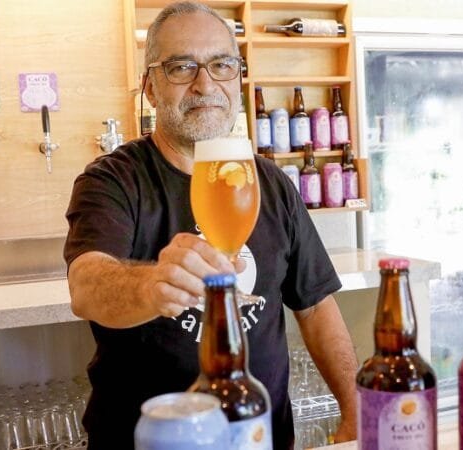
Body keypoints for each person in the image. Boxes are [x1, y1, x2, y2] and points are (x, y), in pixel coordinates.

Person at [63, 2, 358, 448]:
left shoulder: (270, 182)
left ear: (237, 79)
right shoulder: (113, 179)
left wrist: (356, 410)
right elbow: (86, 286)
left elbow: (316, 308)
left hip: (260, 437)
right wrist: (151, 286)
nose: (205, 84)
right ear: (150, 87)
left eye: (221, 65)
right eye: (181, 67)